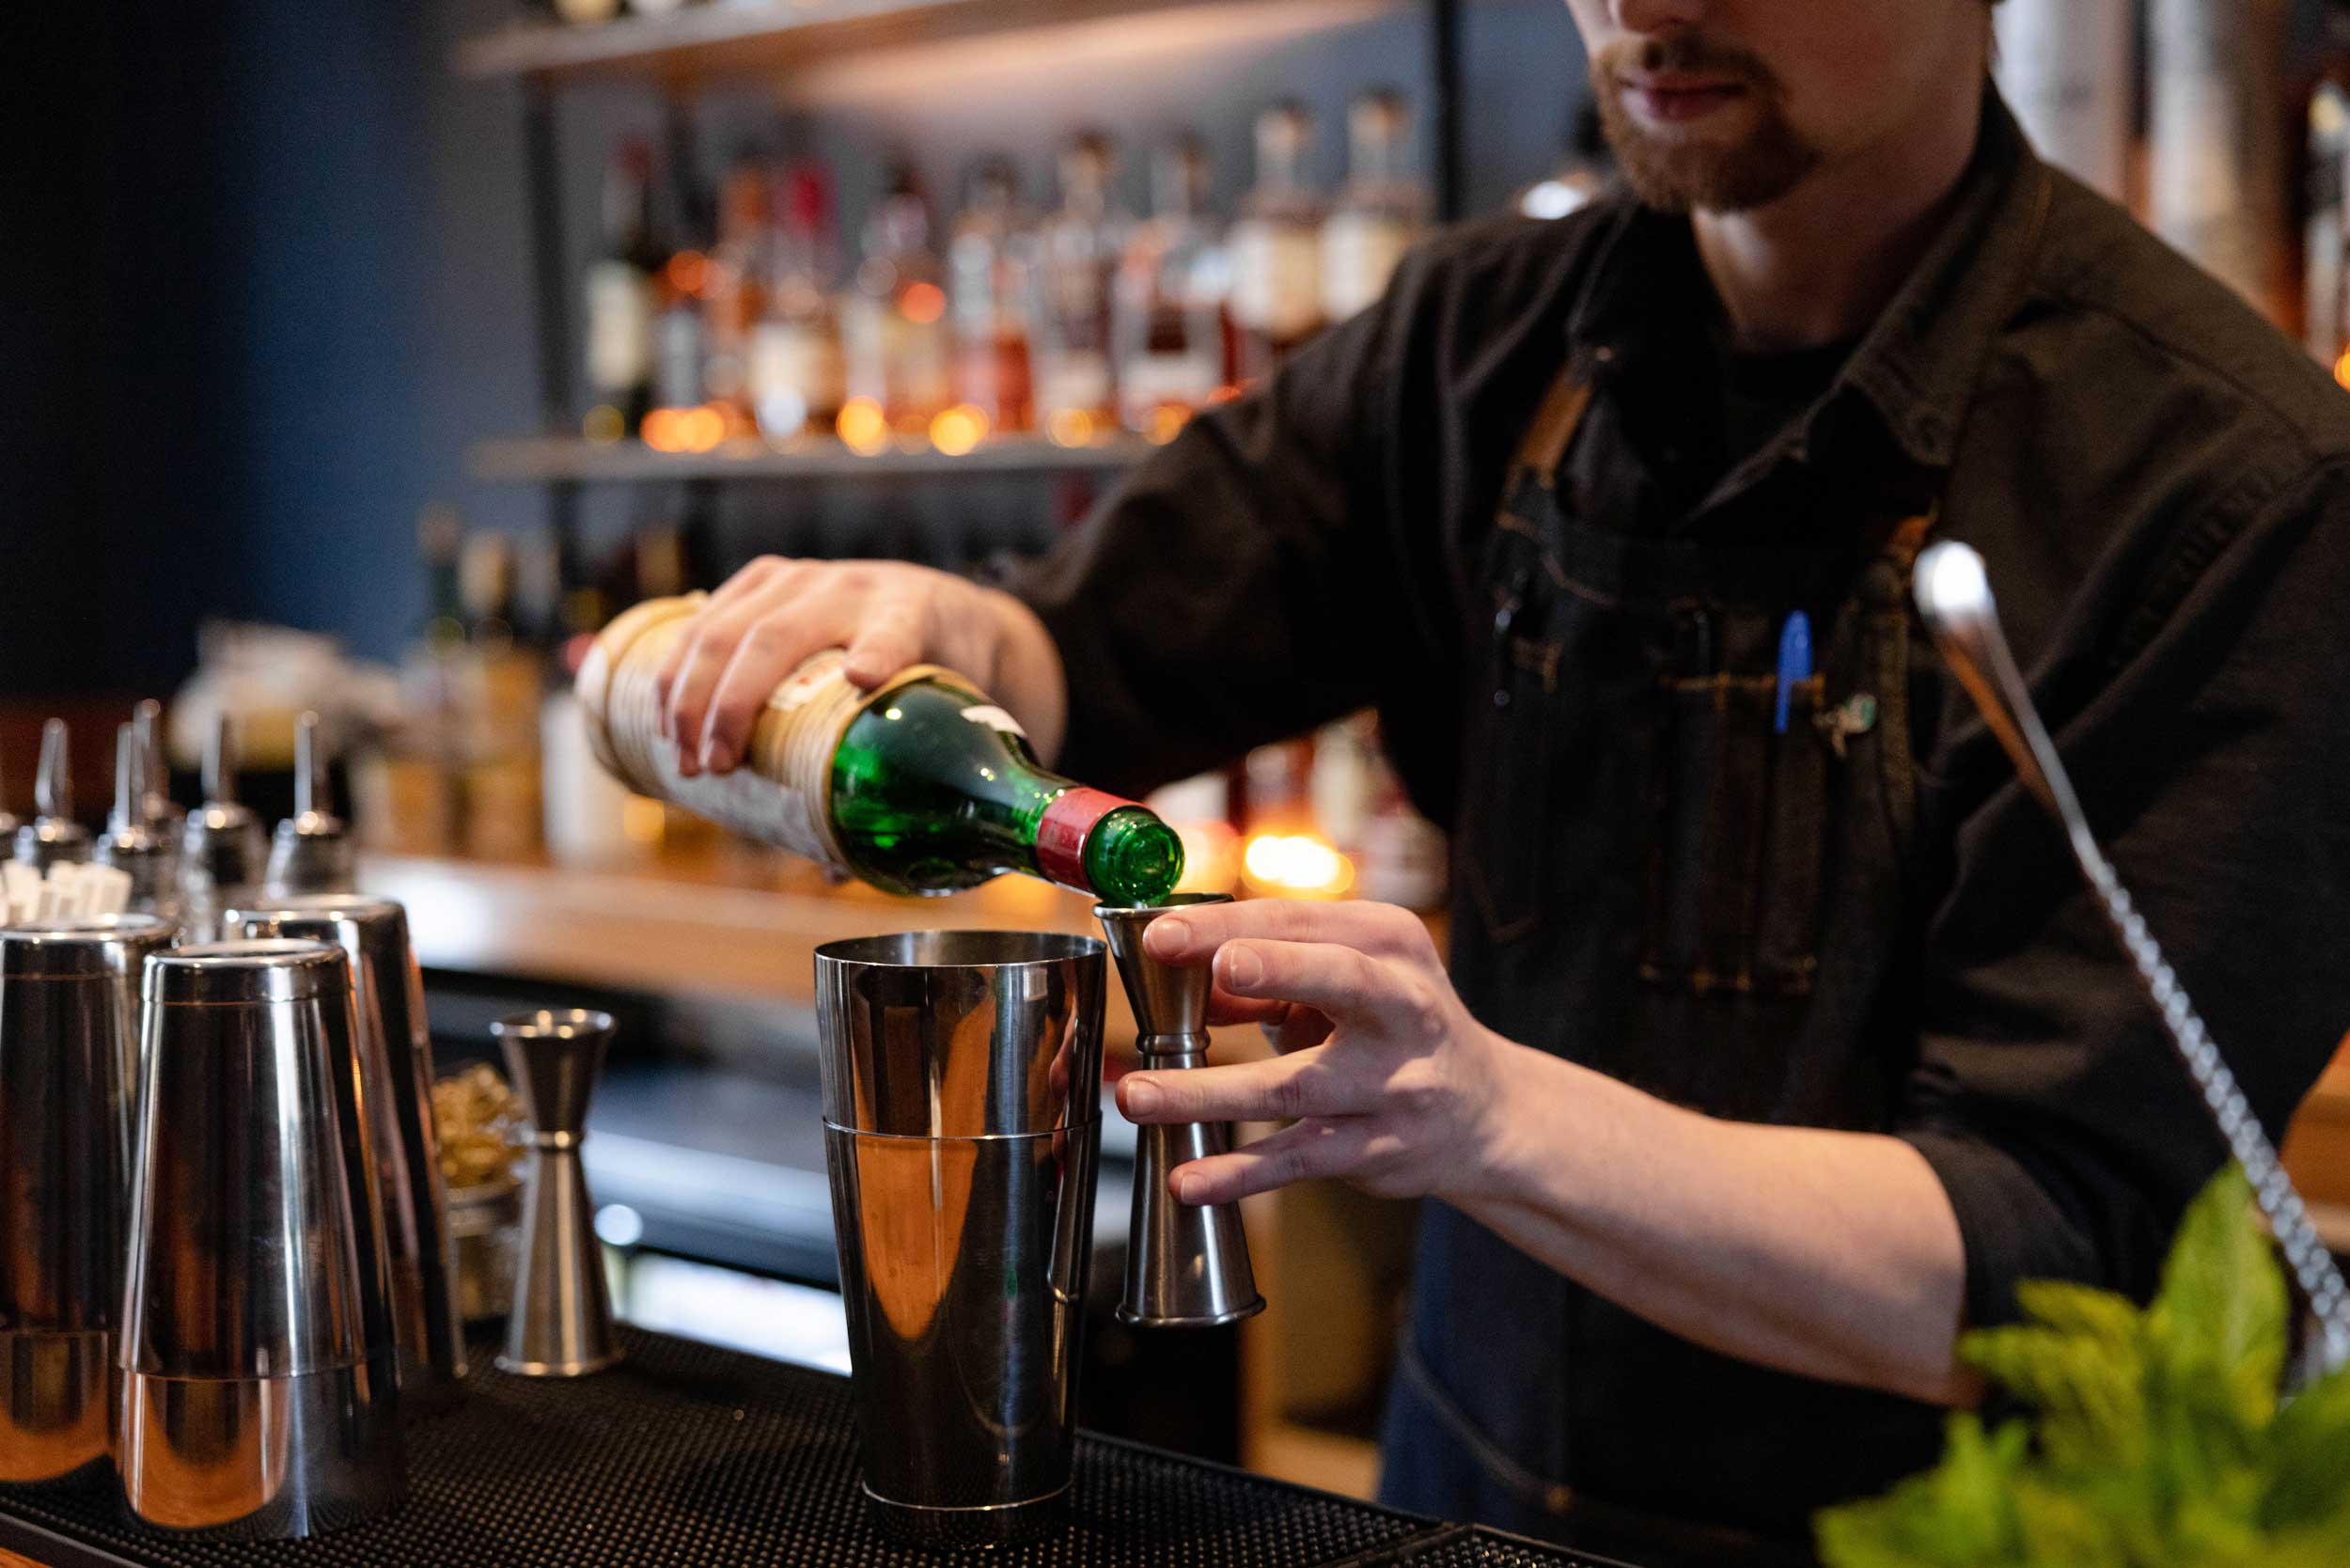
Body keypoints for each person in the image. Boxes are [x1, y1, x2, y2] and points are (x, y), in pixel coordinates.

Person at [651, 2, 2350, 1562]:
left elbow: (2046, 1255)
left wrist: (1489, 1115)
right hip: (1463, 1497)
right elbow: (1083, 652)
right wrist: (951, 627)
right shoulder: (1482, 339)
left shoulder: (2226, 488)